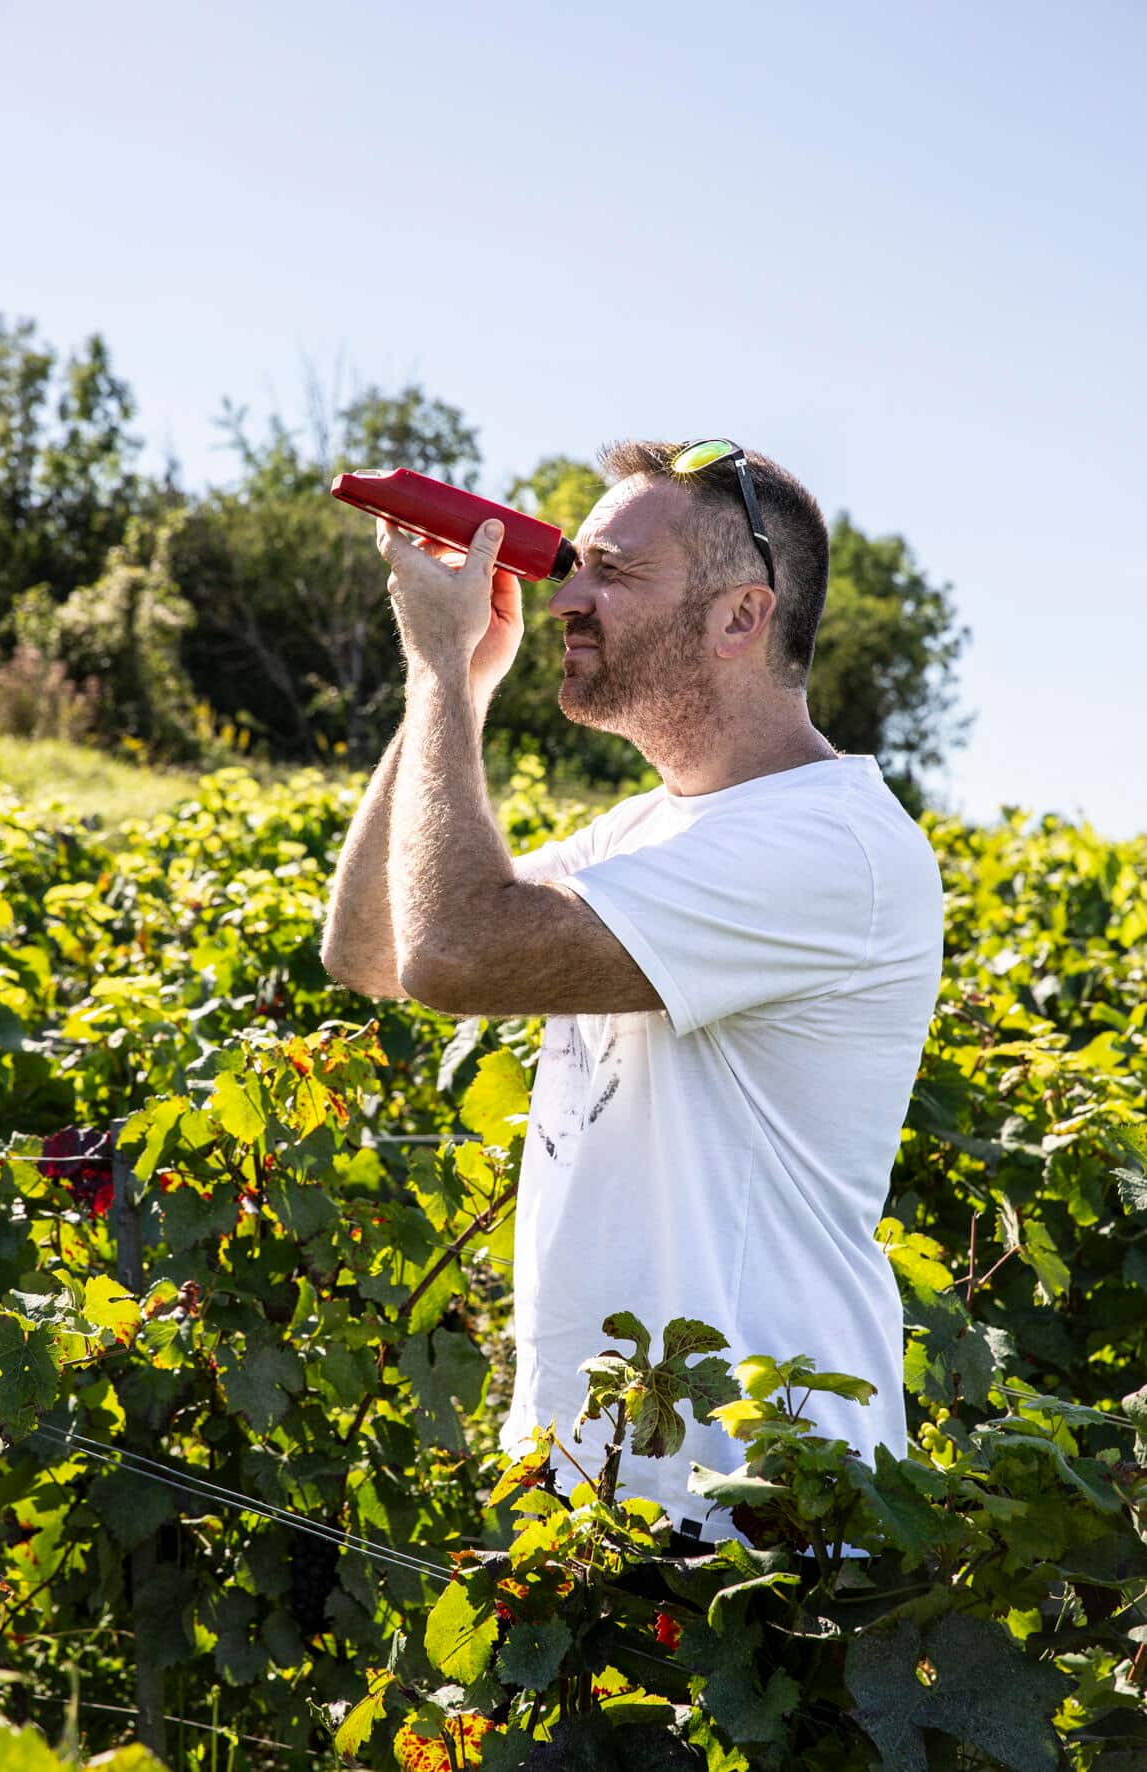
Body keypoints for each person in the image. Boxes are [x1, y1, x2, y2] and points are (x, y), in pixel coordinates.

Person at [319, 438, 944, 1550]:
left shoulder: (827, 844)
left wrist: (428, 663)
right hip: (600, 1484)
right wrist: (456, 687)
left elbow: (456, 950)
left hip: (756, 1511)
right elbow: (375, 949)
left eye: (611, 570)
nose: (567, 594)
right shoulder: (651, 830)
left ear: (740, 616)